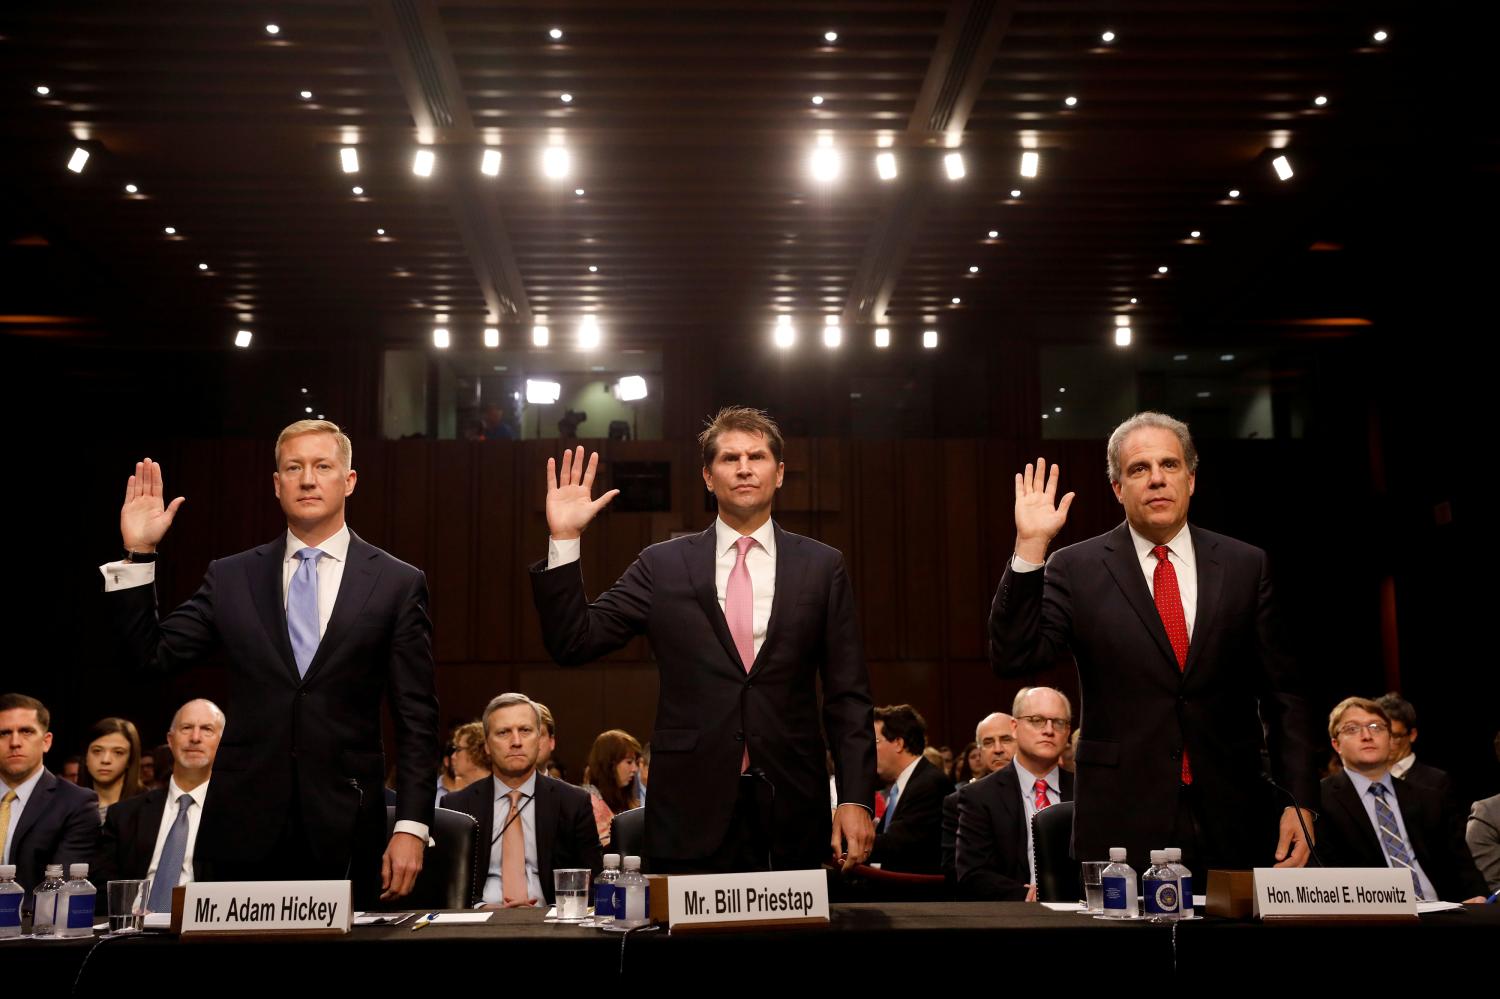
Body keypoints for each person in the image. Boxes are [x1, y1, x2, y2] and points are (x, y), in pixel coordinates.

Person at [99, 421, 439, 904]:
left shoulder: (396, 583)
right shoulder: (231, 576)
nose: (307, 479)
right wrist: (140, 552)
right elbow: (147, 657)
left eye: (322, 466)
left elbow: (417, 718)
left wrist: (410, 824)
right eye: (293, 467)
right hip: (241, 828)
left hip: (346, 828)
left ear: (349, 480)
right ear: (276, 484)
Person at [530, 407, 876, 873]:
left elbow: (848, 697)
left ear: (779, 474)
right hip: (689, 808)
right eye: (730, 458)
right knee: (693, 948)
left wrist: (856, 798)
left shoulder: (823, 567)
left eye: (757, 456)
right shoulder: (662, 565)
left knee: (795, 946)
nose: (744, 467)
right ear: (709, 478)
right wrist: (565, 539)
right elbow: (574, 641)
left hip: (792, 808)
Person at [989, 412, 1318, 873]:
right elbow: (1015, 655)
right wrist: (1029, 548)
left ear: (1191, 479)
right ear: (1118, 488)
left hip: (1235, 815)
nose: (1157, 479)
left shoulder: (1246, 565)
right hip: (1121, 821)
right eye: (1139, 469)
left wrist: (1299, 801)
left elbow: (1284, 695)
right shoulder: (1075, 567)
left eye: (1170, 465)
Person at [1317, 698, 1486, 902]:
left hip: (1442, 910)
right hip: (1371, 911)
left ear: (1390, 739)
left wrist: (1477, 899)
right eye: (1352, 729)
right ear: (1336, 744)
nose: (1367, 735)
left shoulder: (1429, 798)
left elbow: (1463, 867)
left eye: (1376, 727)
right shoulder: (1318, 800)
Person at [440, 693, 600, 907]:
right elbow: (445, 886)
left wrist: (549, 912)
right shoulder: (457, 807)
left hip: (553, 925)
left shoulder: (573, 802)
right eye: (503, 732)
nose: (516, 742)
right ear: (487, 745)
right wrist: (482, 908)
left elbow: (593, 885)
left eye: (525, 731)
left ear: (539, 740)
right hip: (481, 924)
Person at [94, 699, 224, 910]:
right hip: (132, 933)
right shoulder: (124, 815)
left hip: (201, 933)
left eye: (207, 729)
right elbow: (102, 886)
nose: (195, 737)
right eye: (186, 728)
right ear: (170, 740)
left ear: (221, 742)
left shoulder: (237, 816)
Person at [956, 687, 1076, 899]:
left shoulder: (1084, 793)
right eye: (1037, 720)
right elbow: (972, 874)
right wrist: (1025, 896)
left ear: (1067, 732)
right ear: (1014, 726)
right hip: (1012, 920)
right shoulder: (980, 796)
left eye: (1058, 722)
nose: (1049, 730)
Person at [0, 694, 98, 896]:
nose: (15, 742)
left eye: (26, 731)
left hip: (32, 923)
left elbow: (60, 891)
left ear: (46, 741)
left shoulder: (75, 803)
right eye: (3, 733)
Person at [868, 705, 948, 874]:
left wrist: (846, 838)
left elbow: (896, 846)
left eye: (874, 742)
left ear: (898, 743)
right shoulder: (905, 784)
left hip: (914, 896)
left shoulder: (929, 784)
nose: (869, 750)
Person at [581, 729, 641, 847]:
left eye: (635, 762)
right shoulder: (587, 804)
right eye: (629, 762)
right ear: (610, 765)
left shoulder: (627, 800)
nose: (635, 769)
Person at [78, 717, 145, 823]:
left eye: (118, 752)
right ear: (86, 756)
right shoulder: (67, 804)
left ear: (130, 759)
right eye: (97, 751)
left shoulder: (148, 806)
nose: (105, 760)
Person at [437, 722, 490, 807]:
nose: (453, 756)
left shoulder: (504, 794)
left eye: (458, 749)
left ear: (476, 752)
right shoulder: (452, 799)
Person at [975, 713, 1016, 777]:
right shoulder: (972, 787)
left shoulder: (1035, 784)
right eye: (988, 743)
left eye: (1006, 740)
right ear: (980, 751)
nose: (998, 750)